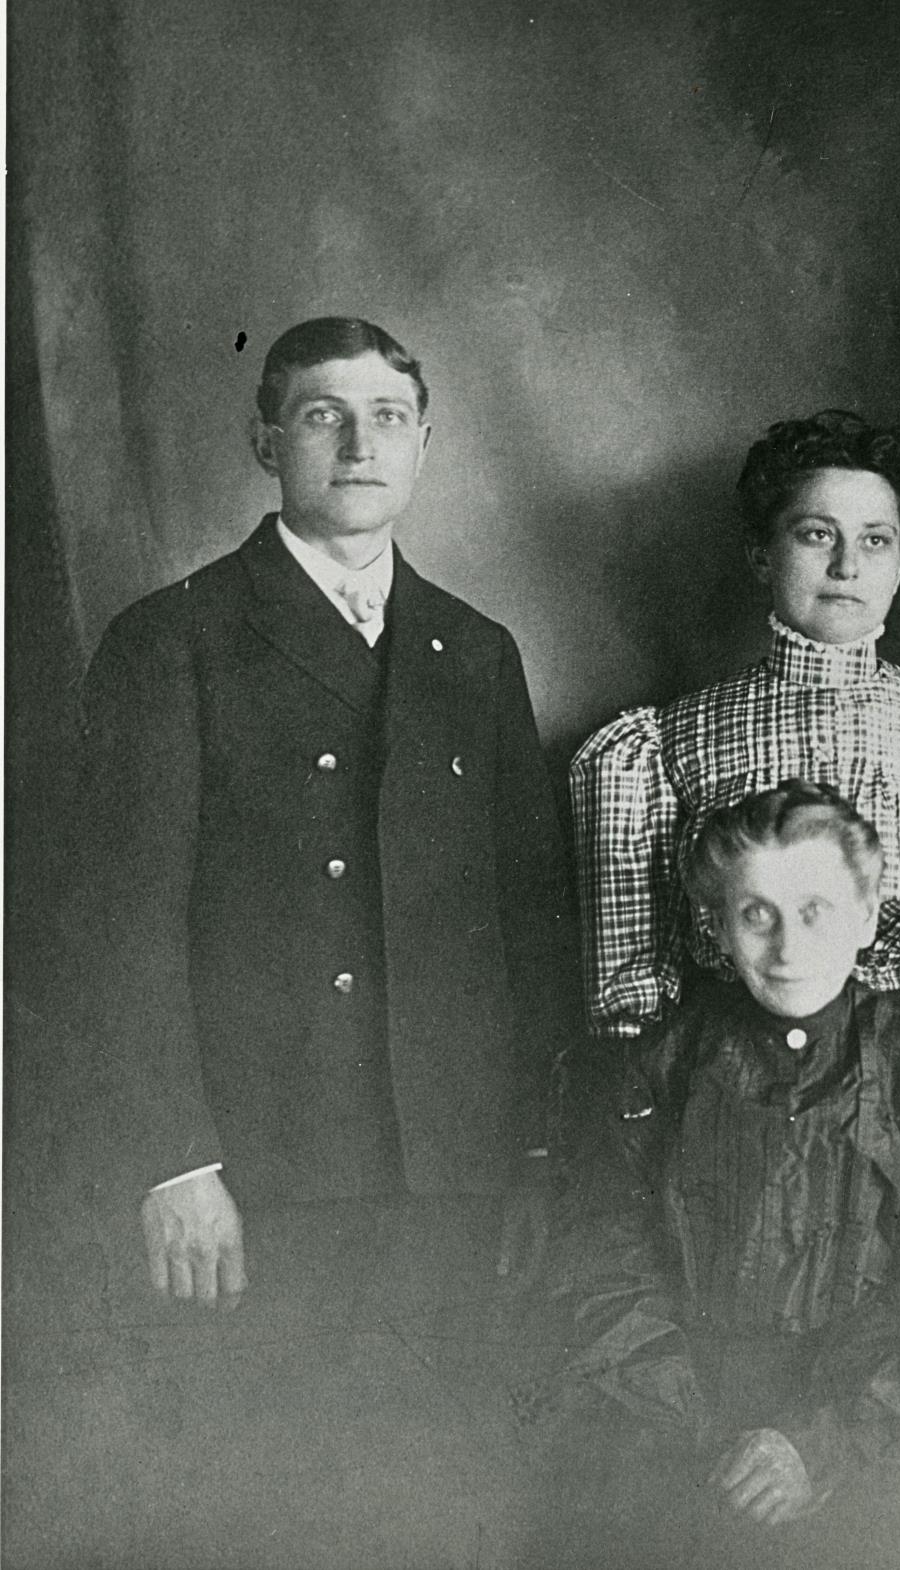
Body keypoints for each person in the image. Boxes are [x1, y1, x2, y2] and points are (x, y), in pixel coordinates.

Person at [61, 316, 579, 1561]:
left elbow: (530, 921)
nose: (358, 443)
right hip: (262, 1176)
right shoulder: (172, 638)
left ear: (424, 445)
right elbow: (116, 930)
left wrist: (540, 1146)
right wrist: (174, 1163)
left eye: (388, 416)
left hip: (452, 1170)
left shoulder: (475, 646)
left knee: (452, 1501)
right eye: (320, 415)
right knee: (283, 1505)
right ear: (264, 442)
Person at [527, 780, 900, 1570]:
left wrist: (817, 1448)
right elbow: (605, 1267)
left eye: (815, 911)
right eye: (757, 915)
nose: (787, 948)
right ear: (716, 927)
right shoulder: (659, 1066)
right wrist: (708, 1444)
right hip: (675, 1436)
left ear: (867, 913)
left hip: (861, 1441)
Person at [569, 409, 900, 1144]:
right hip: (726, 1089)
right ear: (762, 553)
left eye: (875, 541)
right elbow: (633, 1000)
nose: (847, 566)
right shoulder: (660, 745)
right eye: (816, 534)